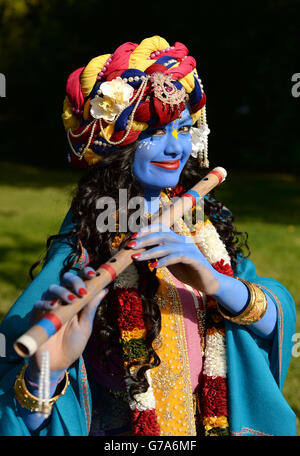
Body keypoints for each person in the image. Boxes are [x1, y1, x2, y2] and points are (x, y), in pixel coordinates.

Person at [0, 36, 297, 437]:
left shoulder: (205, 227)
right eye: (156, 135)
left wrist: (215, 283)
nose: (176, 147)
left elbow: (276, 322)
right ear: (118, 147)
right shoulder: (86, 246)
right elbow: (18, 410)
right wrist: (46, 373)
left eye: (184, 129)